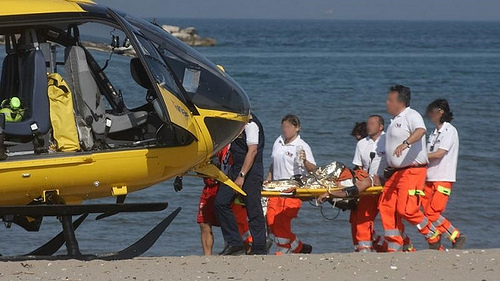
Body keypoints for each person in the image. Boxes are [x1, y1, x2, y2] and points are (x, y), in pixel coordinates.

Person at [378, 84, 440, 252]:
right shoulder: (394, 121)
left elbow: (421, 130)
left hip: (413, 171)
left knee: (407, 209)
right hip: (395, 173)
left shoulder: (411, 115)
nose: (386, 103)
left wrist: (405, 144)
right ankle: (395, 244)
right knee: (385, 205)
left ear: (400, 102)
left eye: (390, 100)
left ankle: (432, 234)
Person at [215, 113, 267, 255]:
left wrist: (241, 176)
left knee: (253, 209)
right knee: (221, 202)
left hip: (251, 171)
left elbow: (252, 151)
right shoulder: (235, 124)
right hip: (235, 168)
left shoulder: (251, 124)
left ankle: (260, 248)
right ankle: (235, 243)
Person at [266, 114, 316, 255]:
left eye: (288, 127)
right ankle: (299, 247)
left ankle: (284, 249)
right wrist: (268, 179)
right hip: (275, 187)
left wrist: (305, 160)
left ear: (297, 128)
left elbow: (313, 170)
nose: (285, 130)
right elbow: (273, 164)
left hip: (292, 187)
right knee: (270, 221)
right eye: (284, 127)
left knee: (282, 221)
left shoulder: (302, 146)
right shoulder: (279, 141)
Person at [422, 99, 466, 249]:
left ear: (441, 111)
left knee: (433, 213)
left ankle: (456, 236)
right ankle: (436, 243)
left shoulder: (449, 130)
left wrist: (420, 157)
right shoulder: (434, 133)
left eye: (431, 112)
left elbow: (439, 153)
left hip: (443, 178)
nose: (430, 116)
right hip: (429, 177)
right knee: (426, 213)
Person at [196, 145, 253, 255]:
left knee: (233, 223)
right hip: (208, 186)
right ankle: (207, 256)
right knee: (203, 222)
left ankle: (248, 251)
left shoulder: (230, 143)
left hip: (224, 184)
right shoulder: (209, 142)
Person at [350, 115, 386, 252]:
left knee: (393, 218)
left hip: (386, 185)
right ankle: (364, 249)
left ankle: (402, 246)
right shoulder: (362, 144)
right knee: (362, 218)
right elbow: (358, 168)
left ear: (380, 127)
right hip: (367, 187)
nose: (368, 126)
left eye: (372, 123)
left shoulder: (388, 140)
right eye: (368, 123)